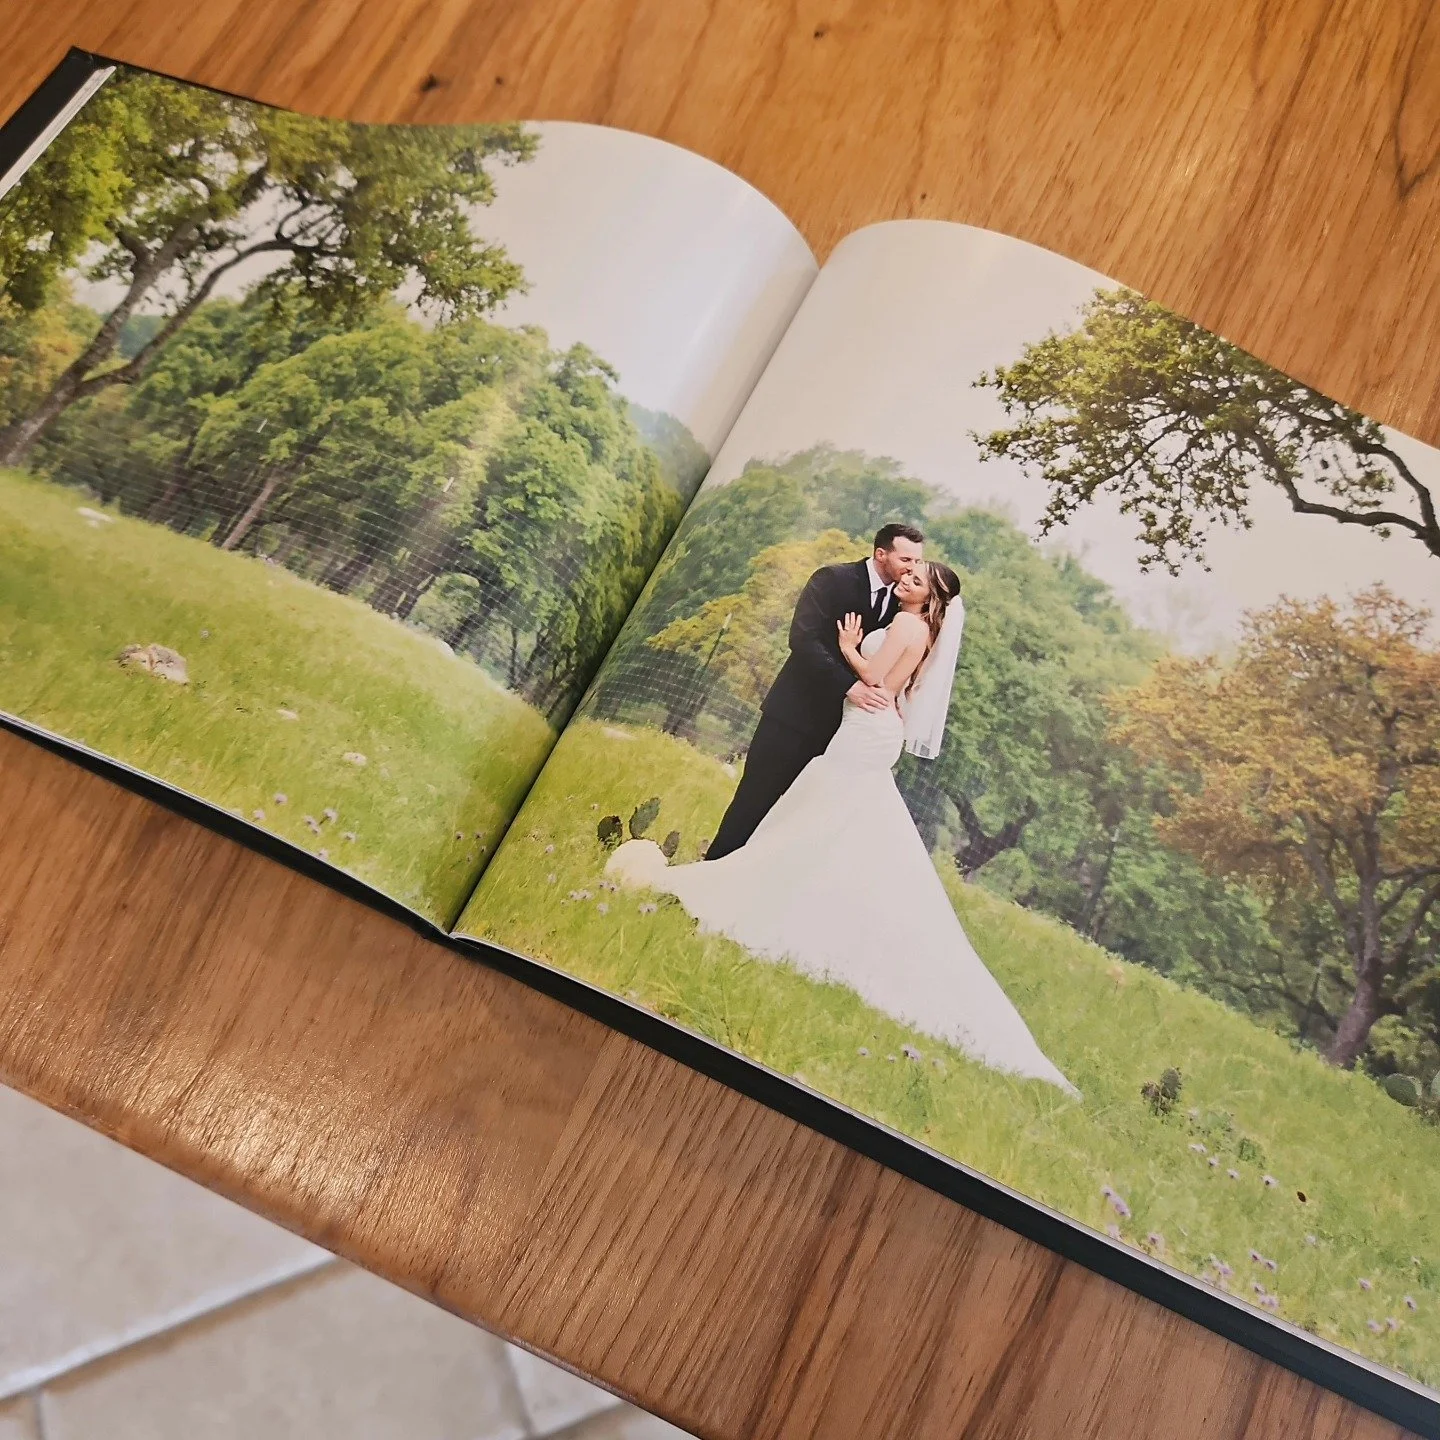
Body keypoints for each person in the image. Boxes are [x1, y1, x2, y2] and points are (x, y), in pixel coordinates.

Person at [607, 559, 1077, 1093]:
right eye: (910, 571)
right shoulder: (921, 628)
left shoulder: (906, 624)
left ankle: (779, 892)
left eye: (918, 580)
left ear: (932, 599)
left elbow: (875, 679)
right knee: (838, 817)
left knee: (823, 805)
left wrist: (850, 645)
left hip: (866, 729)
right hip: (876, 728)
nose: (907, 580)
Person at [704, 522, 925, 860]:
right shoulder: (832, 579)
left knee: (796, 817)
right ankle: (712, 871)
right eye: (906, 560)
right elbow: (803, 640)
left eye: (916, 563)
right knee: (754, 799)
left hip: (841, 732)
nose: (912, 569)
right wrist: (849, 685)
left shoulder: (902, 606)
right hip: (792, 716)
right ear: (881, 554)